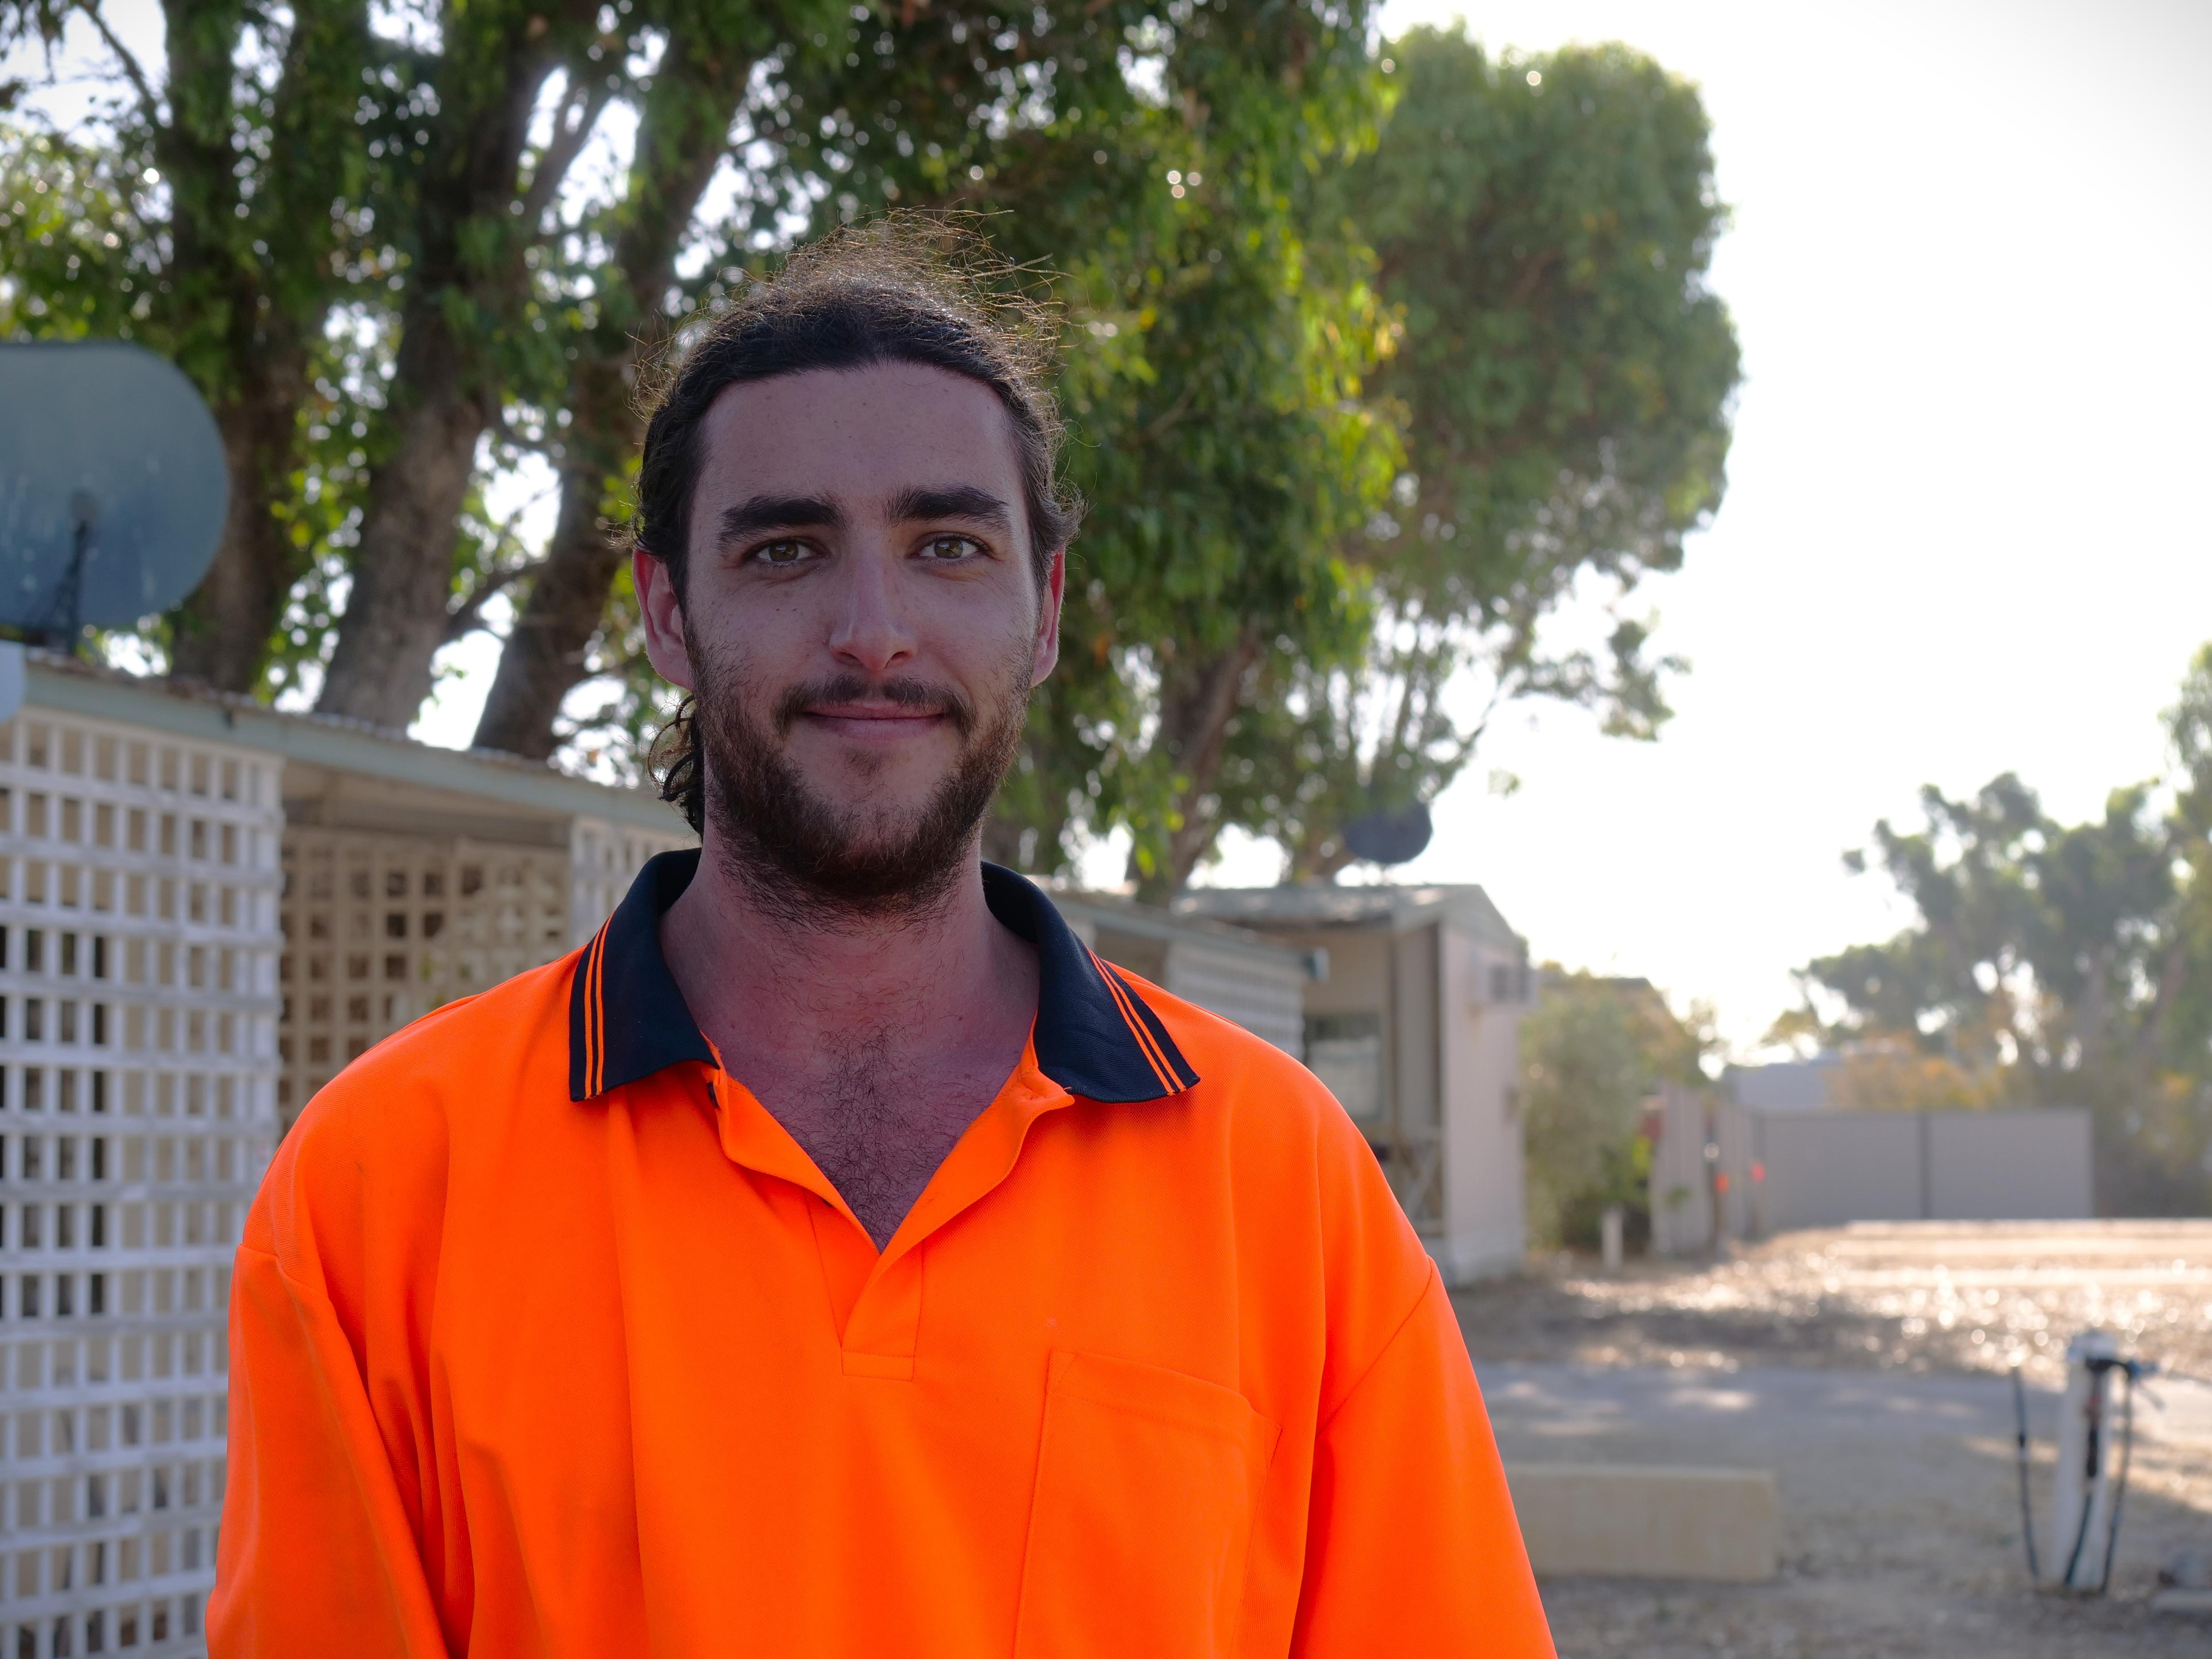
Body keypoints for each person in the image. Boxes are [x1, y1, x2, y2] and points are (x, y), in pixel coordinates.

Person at [209, 222, 1554, 1658]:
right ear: (669, 613)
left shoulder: (1282, 1184)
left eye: (948, 546)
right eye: (787, 548)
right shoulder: (379, 1190)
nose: (873, 628)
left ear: (1041, 614)